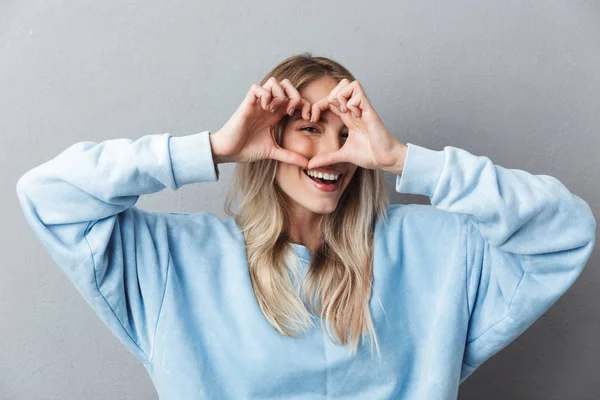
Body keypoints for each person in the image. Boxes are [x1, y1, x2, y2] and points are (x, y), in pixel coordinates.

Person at [16, 53, 596, 399]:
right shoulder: (177, 260)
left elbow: (565, 230)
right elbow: (50, 194)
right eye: (310, 129)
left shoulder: (437, 249)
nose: (333, 155)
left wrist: (403, 160)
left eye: (348, 135)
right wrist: (214, 149)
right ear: (268, 139)